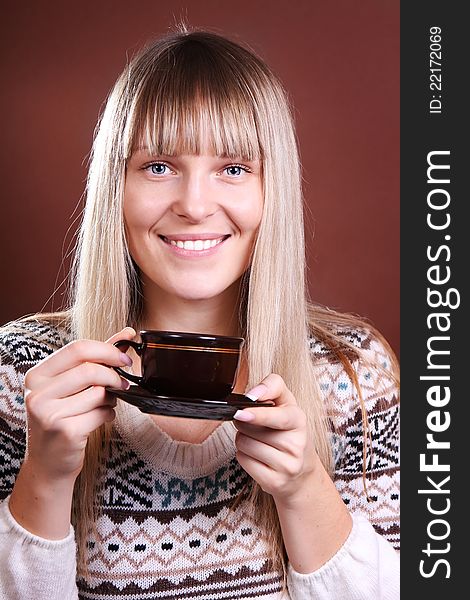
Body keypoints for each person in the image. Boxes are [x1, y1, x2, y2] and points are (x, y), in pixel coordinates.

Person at [0, 27, 399, 599]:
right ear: (116, 186)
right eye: (159, 166)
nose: (192, 205)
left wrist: (306, 487)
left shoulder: (353, 375)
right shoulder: (21, 377)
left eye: (233, 168)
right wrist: (45, 474)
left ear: (272, 191)